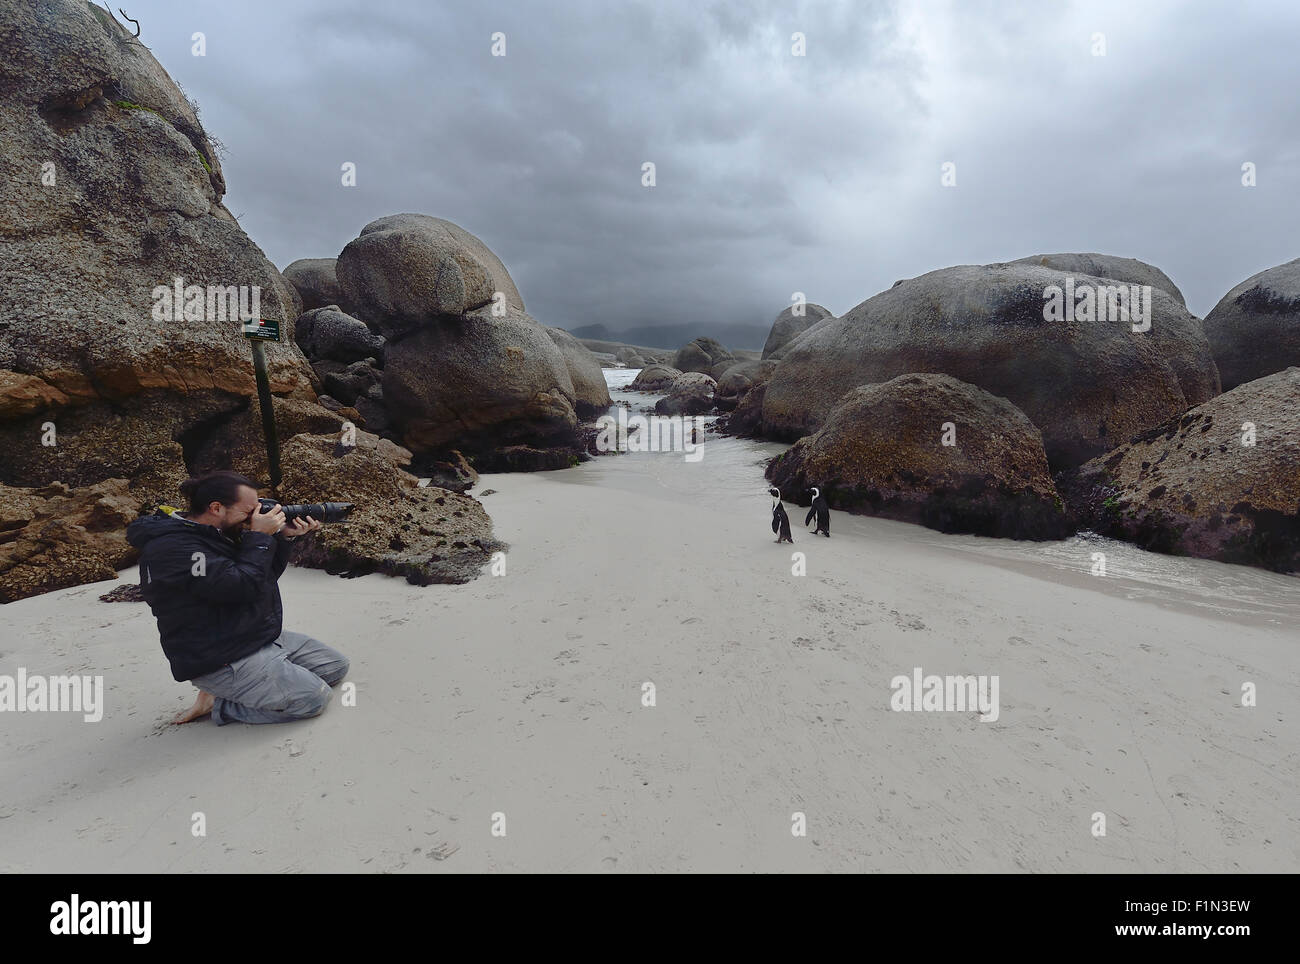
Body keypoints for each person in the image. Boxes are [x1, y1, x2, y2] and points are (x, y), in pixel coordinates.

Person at [125, 470, 350, 726]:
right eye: (248, 510)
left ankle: (256, 680)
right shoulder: (176, 549)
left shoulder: (216, 532)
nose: (254, 516)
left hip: (249, 634)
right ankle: (221, 704)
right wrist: (260, 537)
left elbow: (262, 578)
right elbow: (240, 587)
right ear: (216, 508)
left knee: (335, 667)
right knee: (313, 698)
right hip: (220, 656)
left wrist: (283, 537)